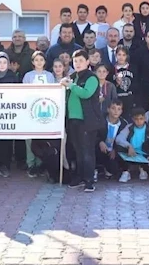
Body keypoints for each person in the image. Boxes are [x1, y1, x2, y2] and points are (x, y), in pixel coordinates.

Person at [60, 49, 102, 192]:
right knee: (77, 151)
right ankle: (79, 177)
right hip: (73, 119)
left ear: (87, 62)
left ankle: (89, 180)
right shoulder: (72, 76)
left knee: (87, 151)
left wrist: (71, 86)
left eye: (81, 61)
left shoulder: (92, 78)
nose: (77, 63)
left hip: (87, 120)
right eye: (75, 61)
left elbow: (86, 94)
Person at [22, 51, 55, 177]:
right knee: (30, 139)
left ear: (45, 61)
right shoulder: (28, 76)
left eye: (41, 59)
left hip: (45, 111)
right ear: (32, 62)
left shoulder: (49, 76)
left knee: (43, 138)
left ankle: (41, 163)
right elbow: (24, 93)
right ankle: (31, 164)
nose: (39, 62)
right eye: (36, 60)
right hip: (31, 111)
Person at [115, 107, 149, 183]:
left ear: (145, 118)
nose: (139, 121)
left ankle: (143, 169)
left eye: (141, 119)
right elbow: (119, 138)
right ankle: (126, 171)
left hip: (144, 155)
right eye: (136, 119)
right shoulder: (129, 127)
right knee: (119, 148)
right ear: (132, 119)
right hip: (131, 153)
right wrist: (129, 146)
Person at [96, 100, 127, 180]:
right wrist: (100, 141)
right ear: (108, 109)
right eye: (113, 108)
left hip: (113, 152)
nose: (116, 111)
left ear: (121, 111)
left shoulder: (124, 124)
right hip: (100, 148)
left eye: (119, 109)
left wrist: (115, 150)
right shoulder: (101, 121)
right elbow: (94, 134)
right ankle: (95, 169)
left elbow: (124, 140)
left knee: (114, 168)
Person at [110, 46, 137, 118]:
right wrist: (116, 83)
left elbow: (136, 83)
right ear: (116, 55)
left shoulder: (133, 68)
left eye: (123, 55)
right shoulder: (111, 69)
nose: (121, 57)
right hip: (117, 100)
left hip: (129, 99)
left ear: (127, 56)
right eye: (119, 54)